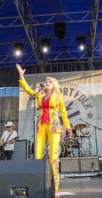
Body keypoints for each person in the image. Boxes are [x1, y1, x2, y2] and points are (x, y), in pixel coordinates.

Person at [16, 63, 72, 193]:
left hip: (54, 127)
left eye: (49, 82)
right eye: (46, 81)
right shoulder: (40, 95)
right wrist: (21, 76)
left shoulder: (58, 97)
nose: (46, 83)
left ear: (54, 85)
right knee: (38, 153)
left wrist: (68, 128)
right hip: (41, 126)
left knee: (54, 154)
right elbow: (28, 90)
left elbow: (63, 112)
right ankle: (37, 181)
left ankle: (56, 184)